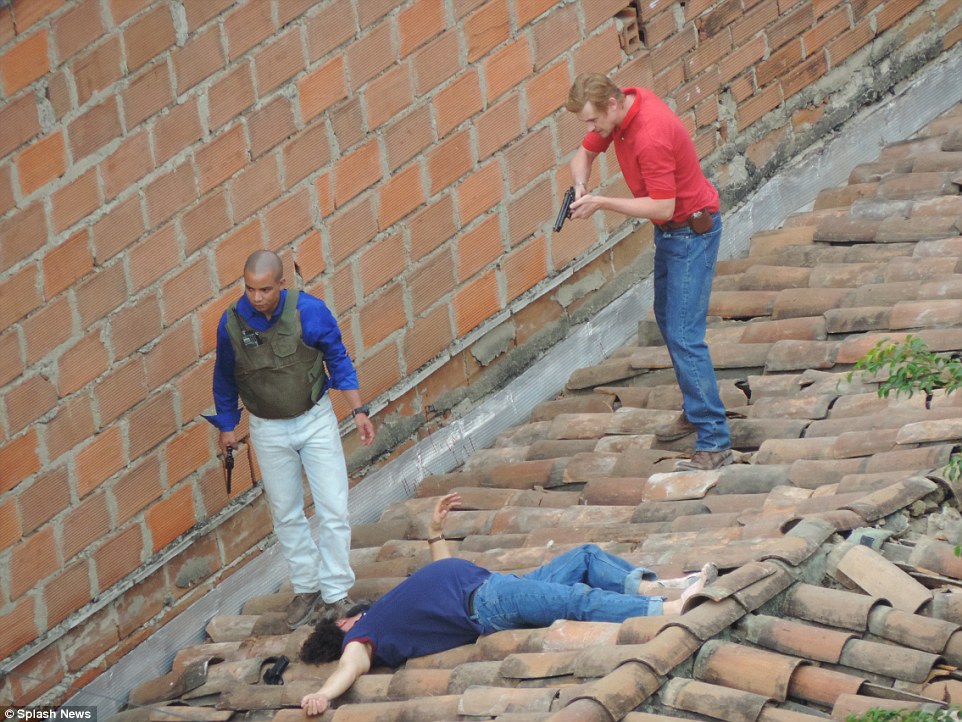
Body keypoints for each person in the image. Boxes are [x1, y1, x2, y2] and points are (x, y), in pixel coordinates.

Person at [298, 492, 716, 715]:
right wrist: (321, 695)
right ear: (343, 625)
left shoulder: (386, 612)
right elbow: (349, 668)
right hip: (488, 603)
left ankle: (660, 586)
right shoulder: (363, 636)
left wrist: (434, 533)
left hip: (497, 585)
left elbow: (440, 574)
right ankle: (667, 610)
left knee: (584, 558)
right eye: (347, 617)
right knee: (576, 600)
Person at [564, 72, 732, 471]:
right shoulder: (622, 107)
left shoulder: (650, 135)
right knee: (668, 321)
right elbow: (582, 155)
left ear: (611, 105)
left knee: (685, 334)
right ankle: (696, 409)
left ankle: (714, 439)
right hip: (672, 234)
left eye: (593, 121)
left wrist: (602, 202)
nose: (591, 129)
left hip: (691, 233)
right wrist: (581, 184)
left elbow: (662, 206)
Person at [206, 250, 376, 629]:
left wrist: (359, 411)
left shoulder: (309, 311)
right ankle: (307, 586)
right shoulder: (232, 323)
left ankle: (336, 592)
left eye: (265, 289)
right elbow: (225, 378)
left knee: (333, 507)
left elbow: (338, 358)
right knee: (285, 512)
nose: (256, 297)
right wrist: (227, 427)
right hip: (267, 427)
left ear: (281, 284)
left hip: (314, 419)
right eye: (250, 289)